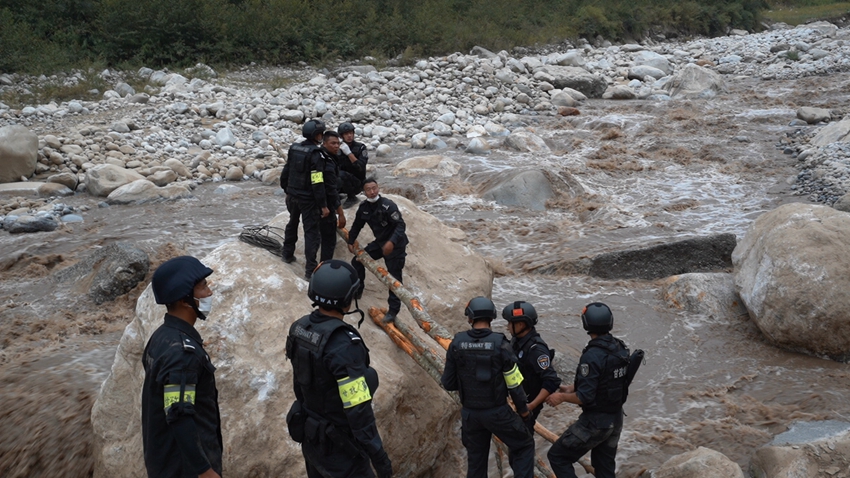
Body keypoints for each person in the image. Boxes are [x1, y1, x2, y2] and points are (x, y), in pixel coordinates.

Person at [285, 260, 393, 478]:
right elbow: (358, 411)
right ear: (348, 298)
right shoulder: (344, 344)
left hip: (312, 441)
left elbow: (300, 387)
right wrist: (380, 460)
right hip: (343, 452)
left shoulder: (300, 328)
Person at [142, 256, 223, 478]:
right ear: (185, 300)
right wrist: (205, 471)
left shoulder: (161, 337)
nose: (209, 293)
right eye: (203, 287)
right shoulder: (181, 354)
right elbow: (179, 415)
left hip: (164, 461)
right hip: (183, 468)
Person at [441, 297, 535, 478]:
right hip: (498, 412)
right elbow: (514, 384)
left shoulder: (457, 343)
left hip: (470, 415)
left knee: (476, 463)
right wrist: (524, 412)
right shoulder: (501, 344)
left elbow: (448, 383)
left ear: (470, 318)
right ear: (492, 317)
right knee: (524, 445)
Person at [545, 303, 631, 478]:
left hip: (596, 422)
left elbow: (584, 396)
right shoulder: (619, 347)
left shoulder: (592, 355)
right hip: (615, 417)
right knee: (604, 467)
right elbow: (604, 380)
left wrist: (561, 397)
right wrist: (571, 388)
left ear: (586, 324)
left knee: (558, 456)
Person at [346, 178, 407, 324]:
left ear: (378, 188)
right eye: (368, 189)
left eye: (374, 188)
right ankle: (358, 290)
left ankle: (393, 311)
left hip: (396, 246)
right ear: (364, 192)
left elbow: (400, 226)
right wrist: (351, 240)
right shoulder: (364, 208)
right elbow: (357, 225)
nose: (372, 192)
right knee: (358, 261)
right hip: (380, 243)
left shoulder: (388, 206)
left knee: (394, 278)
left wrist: (391, 242)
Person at [280, 119, 331, 279]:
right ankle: (310, 270)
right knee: (311, 234)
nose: (322, 136)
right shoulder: (316, 154)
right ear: (316, 135)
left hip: (293, 196)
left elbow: (286, 171)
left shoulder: (294, 148)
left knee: (292, 224)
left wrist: (287, 190)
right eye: (321, 134)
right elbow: (317, 181)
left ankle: (287, 253)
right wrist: (323, 205)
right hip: (308, 200)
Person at [503, 301, 561, 430]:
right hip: (516, 400)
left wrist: (531, 406)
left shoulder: (536, 349)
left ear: (520, 324)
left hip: (527, 404)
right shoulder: (517, 340)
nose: (507, 327)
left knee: (522, 437)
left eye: (510, 323)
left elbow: (551, 381)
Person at [317, 130, 346, 262]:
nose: (336, 146)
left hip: (311, 201)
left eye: (338, 143)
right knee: (328, 240)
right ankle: (324, 266)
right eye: (333, 143)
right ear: (324, 143)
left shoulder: (317, 156)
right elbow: (330, 190)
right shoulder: (327, 162)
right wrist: (340, 213)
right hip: (324, 205)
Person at [337, 122, 368, 208]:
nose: (349, 136)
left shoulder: (361, 147)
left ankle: (352, 198)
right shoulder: (337, 148)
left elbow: (361, 167)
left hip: (357, 183)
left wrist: (349, 153)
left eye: (351, 133)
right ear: (341, 136)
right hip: (341, 183)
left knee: (341, 174)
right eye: (346, 134)